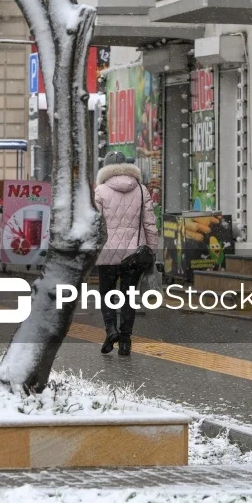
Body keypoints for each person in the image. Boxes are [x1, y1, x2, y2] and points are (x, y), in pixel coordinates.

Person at [94, 152, 158, 356]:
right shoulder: (141, 190)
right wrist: (152, 250)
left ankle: (111, 330)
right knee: (129, 296)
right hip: (134, 253)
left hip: (106, 253)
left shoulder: (100, 191)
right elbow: (149, 223)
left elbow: (94, 224)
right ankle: (125, 341)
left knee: (107, 294)